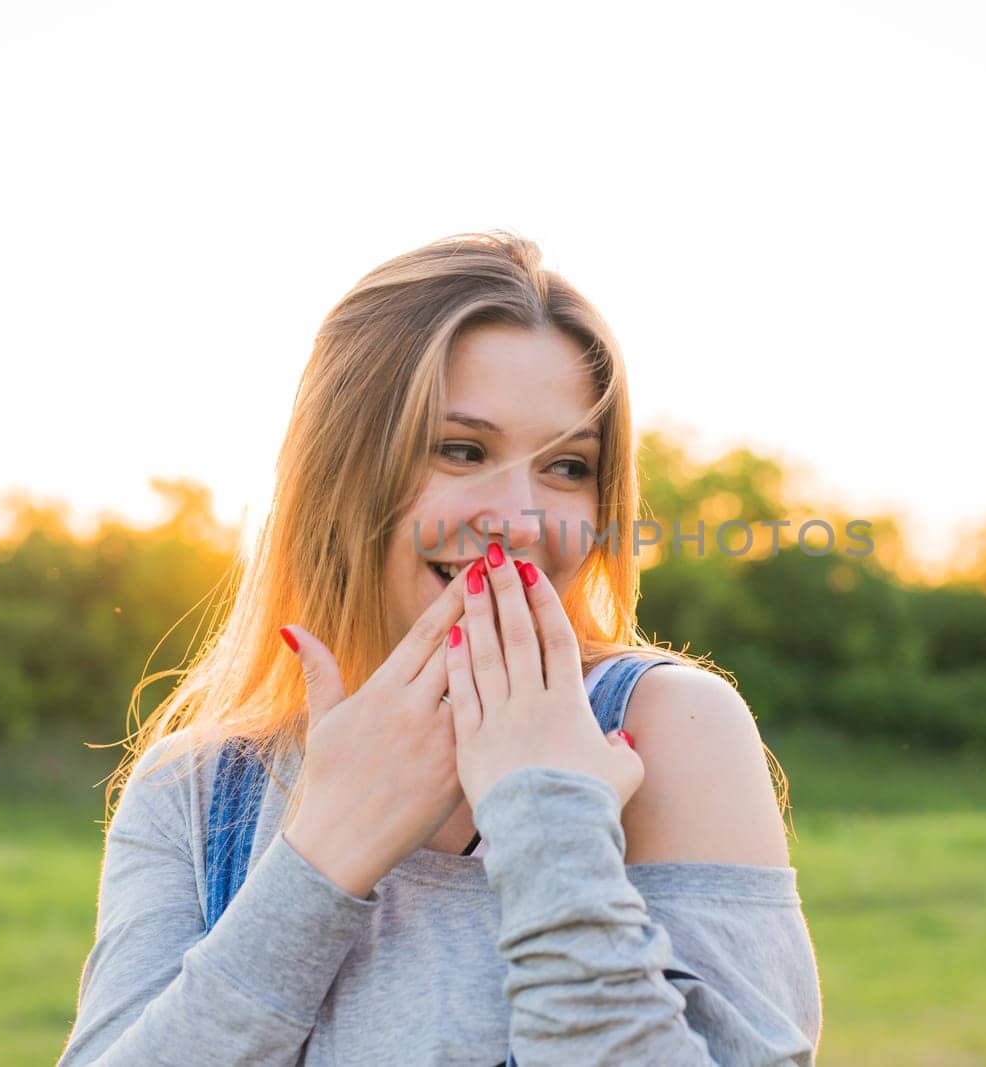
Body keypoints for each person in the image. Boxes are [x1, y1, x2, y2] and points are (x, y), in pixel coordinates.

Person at [56, 231, 824, 1065]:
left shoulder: (670, 729)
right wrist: (321, 860)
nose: (522, 520)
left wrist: (549, 823)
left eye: (568, 466)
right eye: (462, 450)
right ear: (340, 471)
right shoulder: (202, 793)